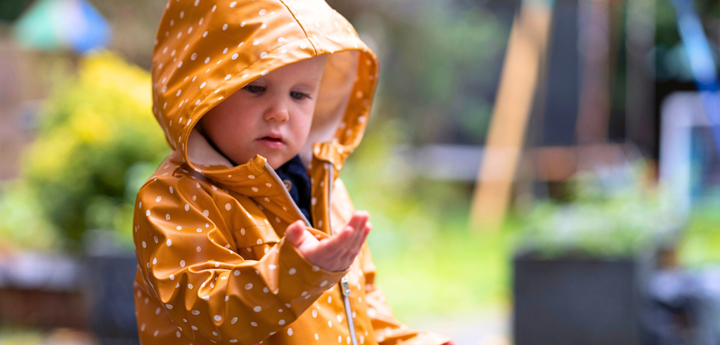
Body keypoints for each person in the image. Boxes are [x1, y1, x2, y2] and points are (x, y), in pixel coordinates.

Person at [132, 0, 453, 344]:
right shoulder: (176, 198)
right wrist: (294, 274)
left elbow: (361, 307)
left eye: (300, 94)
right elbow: (208, 312)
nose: (280, 112)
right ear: (203, 90)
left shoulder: (323, 187)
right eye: (255, 87)